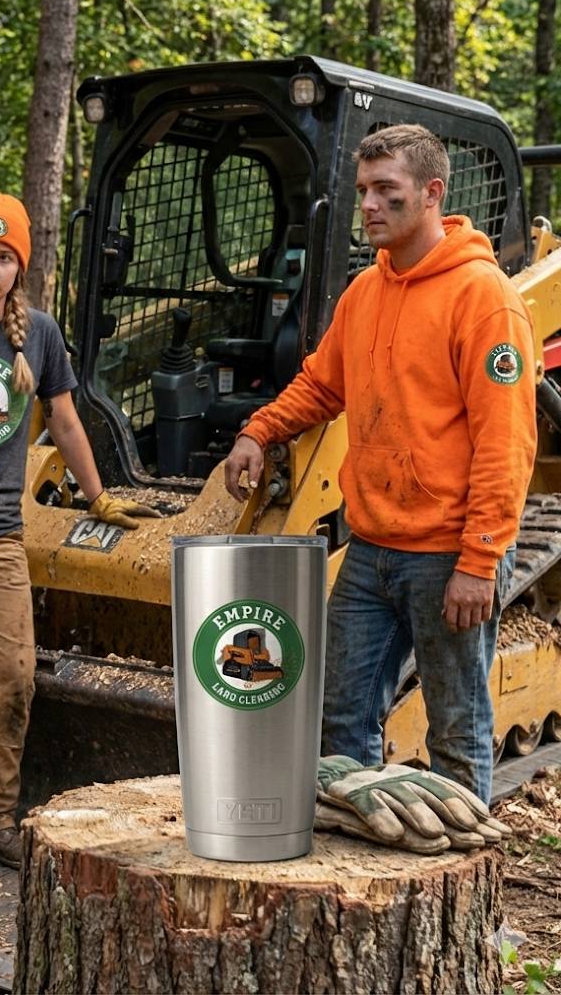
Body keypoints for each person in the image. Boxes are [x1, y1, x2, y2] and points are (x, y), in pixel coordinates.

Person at [224, 124, 536, 804]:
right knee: (343, 723)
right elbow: (321, 384)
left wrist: (480, 559)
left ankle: (460, 890)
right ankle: (361, 877)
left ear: (431, 194)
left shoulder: (483, 298)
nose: (366, 204)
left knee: (456, 728)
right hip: (371, 549)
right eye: (362, 189)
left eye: (384, 190)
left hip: (449, 553)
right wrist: (260, 429)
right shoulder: (365, 293)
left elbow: (506, 440)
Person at [0, 192, 160, 868]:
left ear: (20, 269)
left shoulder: (38, 335)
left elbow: (67, 422)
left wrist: (99, 498)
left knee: (12, 677)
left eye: (4, 257)